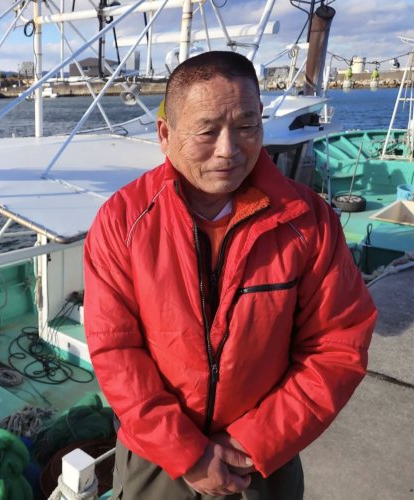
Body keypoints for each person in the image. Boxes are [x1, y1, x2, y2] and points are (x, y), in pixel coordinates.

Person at [83, 51, 377, 499]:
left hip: (263, 459)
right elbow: (116, 350)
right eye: (207, 130)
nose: (230, 149)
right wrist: (187, 453)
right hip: (158, 459)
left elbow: (338, 344)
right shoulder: (123, 221)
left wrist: (252, 441)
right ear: (165, 134)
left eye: (246, 126)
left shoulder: (308, 220)